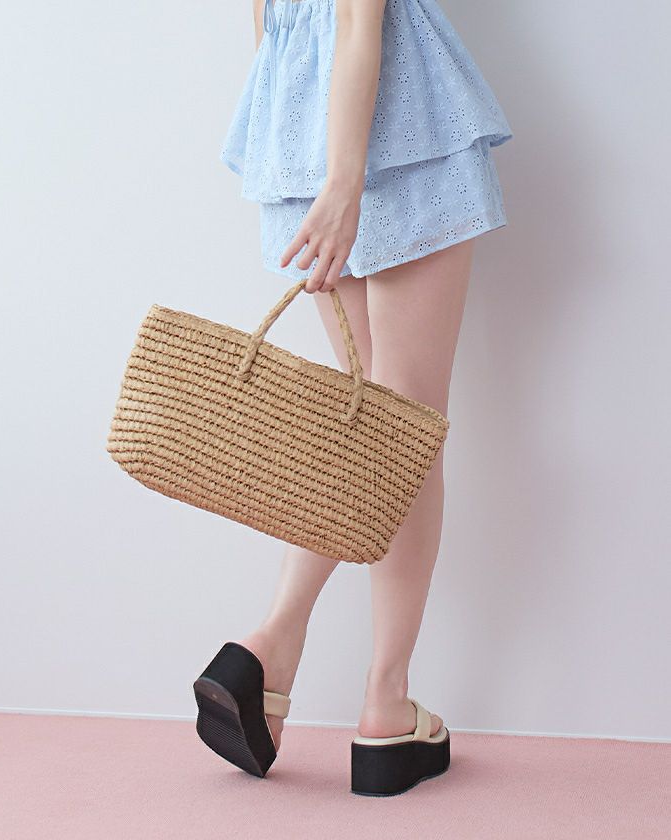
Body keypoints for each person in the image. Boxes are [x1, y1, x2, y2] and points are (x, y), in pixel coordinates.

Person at [193, 0, 512, 796]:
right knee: (405, 431)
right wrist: (344, 180)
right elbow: (360, 22)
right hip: (390, 137)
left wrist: (312, 162)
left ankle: (276, 652)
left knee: (375, 426)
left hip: (300, 137)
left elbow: (266, 25)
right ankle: (376, 697)